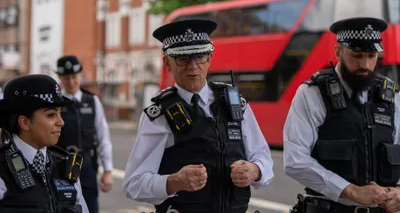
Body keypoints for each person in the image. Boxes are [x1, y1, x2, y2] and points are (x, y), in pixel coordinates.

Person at [123, 19, 274, 213]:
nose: (193, 67)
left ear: (210, 58)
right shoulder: (159, 115)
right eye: (183, 59)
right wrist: (174, 182)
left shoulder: (235, 104)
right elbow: (133, 183)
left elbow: (263, 157)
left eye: (200, 56)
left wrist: (256, 170)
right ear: (167, 63)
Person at [284, 17, 400, 213]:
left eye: (371, 56)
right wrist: (350, 191)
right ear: (338, 52)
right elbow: (295, 160)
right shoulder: (313, 93)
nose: (365, 64)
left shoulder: (392, 96)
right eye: (356, 55)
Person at [0, 74, 89, 213]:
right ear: (24, 122)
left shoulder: (66, 166)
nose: (61, 122)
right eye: (51, 115)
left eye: (60, 113)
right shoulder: (2, 169)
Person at [55, 55, 113, 213]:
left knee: (90, 206)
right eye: (66, 78)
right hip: (60, 165)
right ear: (60, 78)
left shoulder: (92, 101)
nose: (71, 82)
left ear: (80, 75)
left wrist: (107, 170)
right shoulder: (55, 103)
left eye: (74, 77)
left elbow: (103, 136)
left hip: (86, 164)